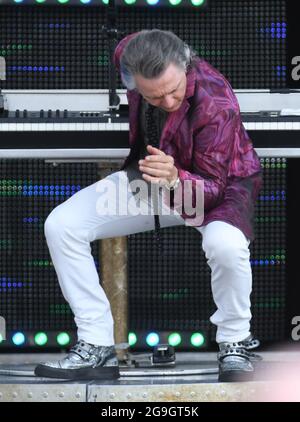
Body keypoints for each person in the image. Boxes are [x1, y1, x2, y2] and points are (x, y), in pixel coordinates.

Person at [35, 29, 262, 382]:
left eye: (174, 91)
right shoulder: (129, 56)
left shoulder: (216, 103)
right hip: (152, 176)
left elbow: (214, 188)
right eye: (154, 96)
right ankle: (97, 345)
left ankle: (235, 341)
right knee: (61, 225)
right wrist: (163, 176)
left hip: (219, 187)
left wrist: (175, 178)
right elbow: (129, 43)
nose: (168, 102)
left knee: (225, 245)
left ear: (185, 64)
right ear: (133, 81)